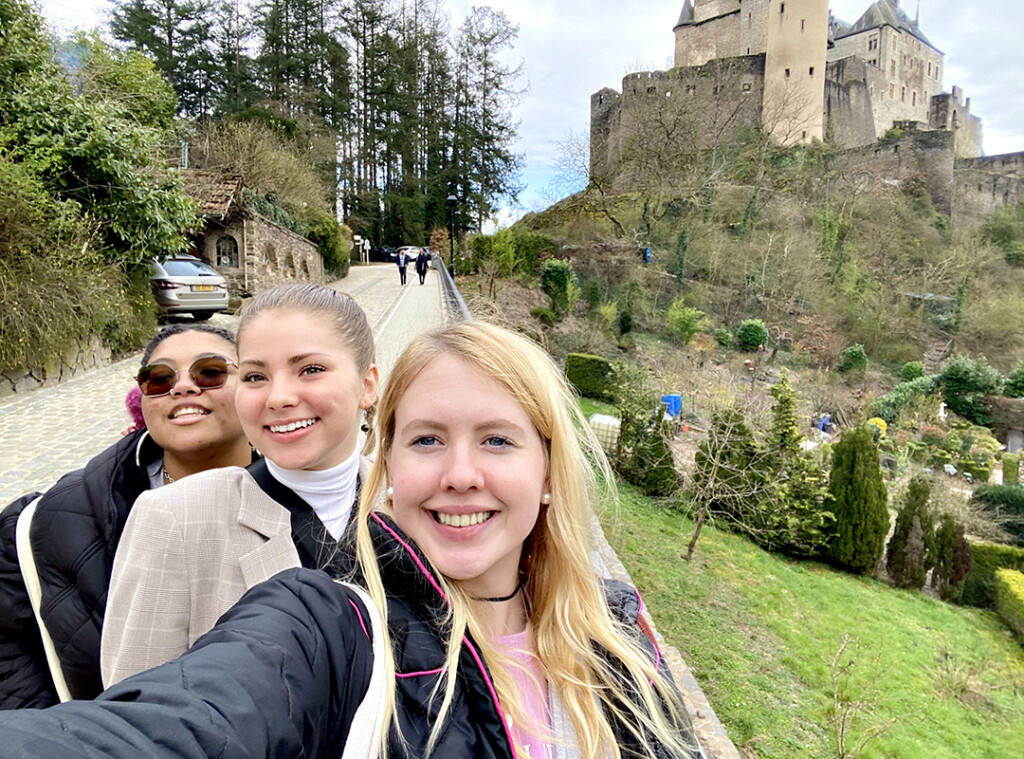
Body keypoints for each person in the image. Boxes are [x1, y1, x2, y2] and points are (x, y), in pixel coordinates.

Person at [0, 321, 697, 759]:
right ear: (390, 461)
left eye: (497, 439)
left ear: (549, 469)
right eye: (426, 439)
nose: (460, 474)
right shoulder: (330, 624)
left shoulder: (619, 634)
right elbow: (167, 721)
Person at [100, 283, 379, 687]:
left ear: (367, 384)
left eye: (310, 370)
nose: (279, 397)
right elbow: (134, 712)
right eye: (255, 376)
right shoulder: (174, 518)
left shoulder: (409, 504)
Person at [0, 324, 253, 708]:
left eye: (211, 372)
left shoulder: (305, 499)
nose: (182, 387)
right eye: (160, 378)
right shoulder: (43, 522)